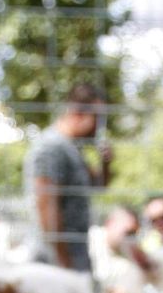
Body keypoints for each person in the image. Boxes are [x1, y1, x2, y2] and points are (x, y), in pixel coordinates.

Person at [25, 82, 110, 274]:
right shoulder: (51, 147)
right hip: (55, 268)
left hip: (74, 261)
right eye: (98, 119)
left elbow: (99, 186)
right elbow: (46, 207)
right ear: (78, 113)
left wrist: (105, 163)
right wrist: (65, 267)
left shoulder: (73, 149)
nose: (100, 128)